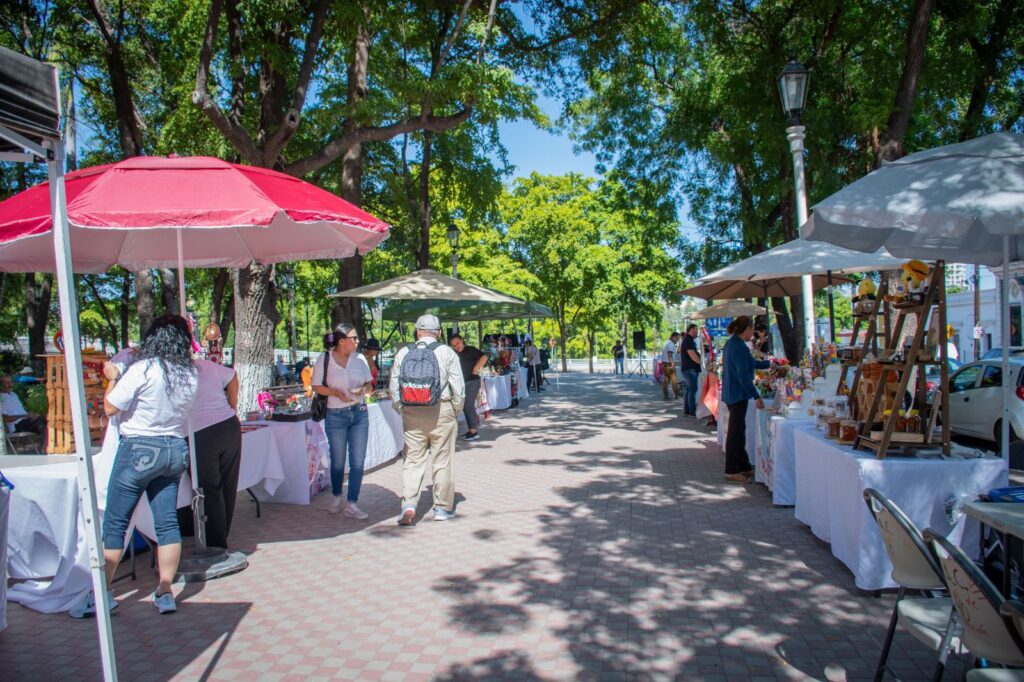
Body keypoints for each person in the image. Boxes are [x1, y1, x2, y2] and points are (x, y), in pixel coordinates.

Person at [70, 314, 199, 618]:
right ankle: (166, 591)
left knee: (115, 524)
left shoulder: (144, 369)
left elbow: (111, 406)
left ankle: (99, 595)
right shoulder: (190, 373)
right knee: (166, 523)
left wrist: (113, 376)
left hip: (139, 450)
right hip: (174, 448)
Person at [390, 314, 465, 526]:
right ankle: (442, 508)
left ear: (417, 332)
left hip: (412, 412)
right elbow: (458, 388)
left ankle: (409, 504)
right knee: (442, 460)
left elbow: (394, 386)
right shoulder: (446, 352)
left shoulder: (404, 352)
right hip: (442, 410)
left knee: (412, 460)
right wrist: (455, 410)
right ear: (439, 333)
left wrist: (401, 409)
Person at [311, 323, 375, 519]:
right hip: (335, 415)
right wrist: (334, 392)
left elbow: (369, 384)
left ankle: (352, 502)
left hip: (359, 412)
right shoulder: (325, 358)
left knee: (358, 460)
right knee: (338, 460)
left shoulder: (360, 359)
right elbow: (316, 386)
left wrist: (365, 390)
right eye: (353, 338)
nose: (357, 342)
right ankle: (337, 495)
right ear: (341, 341)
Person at [180, 358, 241, 549]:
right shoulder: (204, 364)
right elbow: (232, 377)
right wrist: (232, 404)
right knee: (226, 485)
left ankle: (215, 544)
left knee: (208, 490)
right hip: (228, 425)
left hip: (201, 431)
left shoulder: (173, 368)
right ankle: (219, 536)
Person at [721, 316, 772, 483]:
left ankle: (744, 466)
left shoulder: (732, 343)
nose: (753, 333)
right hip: (738, 394)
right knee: (735, 433)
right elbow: (743, 376)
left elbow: (751, 363)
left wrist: (771, 364)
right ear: (747, 329)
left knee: (739, 431)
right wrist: (756, 396)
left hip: (733, 394)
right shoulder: (739, 347)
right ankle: (731, 470)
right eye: (752, 329)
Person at [450, 335, 487, 441]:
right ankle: (471, 430)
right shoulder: (454, 354)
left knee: (468, 405)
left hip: (472, 381)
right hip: (461, 383)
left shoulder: (470, 349)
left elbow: (484, 357)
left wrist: (476, 368)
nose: (456, 346)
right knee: (465, 406)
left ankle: (474, 432)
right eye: (453, 345)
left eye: (457, 343)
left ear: (462, 340)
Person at [1, 374, 46, 444]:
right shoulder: (1, 398)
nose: (10, 385)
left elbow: (20, 411)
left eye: (11, 382)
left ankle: (45, 448)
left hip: (25, 422)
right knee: (41, 421)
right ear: (1, 384)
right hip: (16, 426)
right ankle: (45, 449)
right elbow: (5, 419)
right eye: (7, 383)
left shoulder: (13, 394)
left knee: (44, 423)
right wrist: (24, 416)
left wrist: (30, 414)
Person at [678, 324, 702, 417]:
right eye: (696, 330)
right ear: (691, 329)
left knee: (689, 390)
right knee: (692, 390)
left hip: (688, 369)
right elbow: (692, 355)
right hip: (690, 369)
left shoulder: (688, 340)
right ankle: (691, 411)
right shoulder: (688, 341)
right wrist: (701, 363)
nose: (697, 332)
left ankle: (687, 410)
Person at [661, 332, 681, 400]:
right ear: (674, 337)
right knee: (674, 380)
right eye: (677, 339)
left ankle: (665, 395)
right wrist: (672, 364)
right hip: (669, 364)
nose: (677, 341)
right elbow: (669, 355)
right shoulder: (670, 344)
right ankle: (676, 395)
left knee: (666, 380)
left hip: (664, 363)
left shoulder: (666, 342)